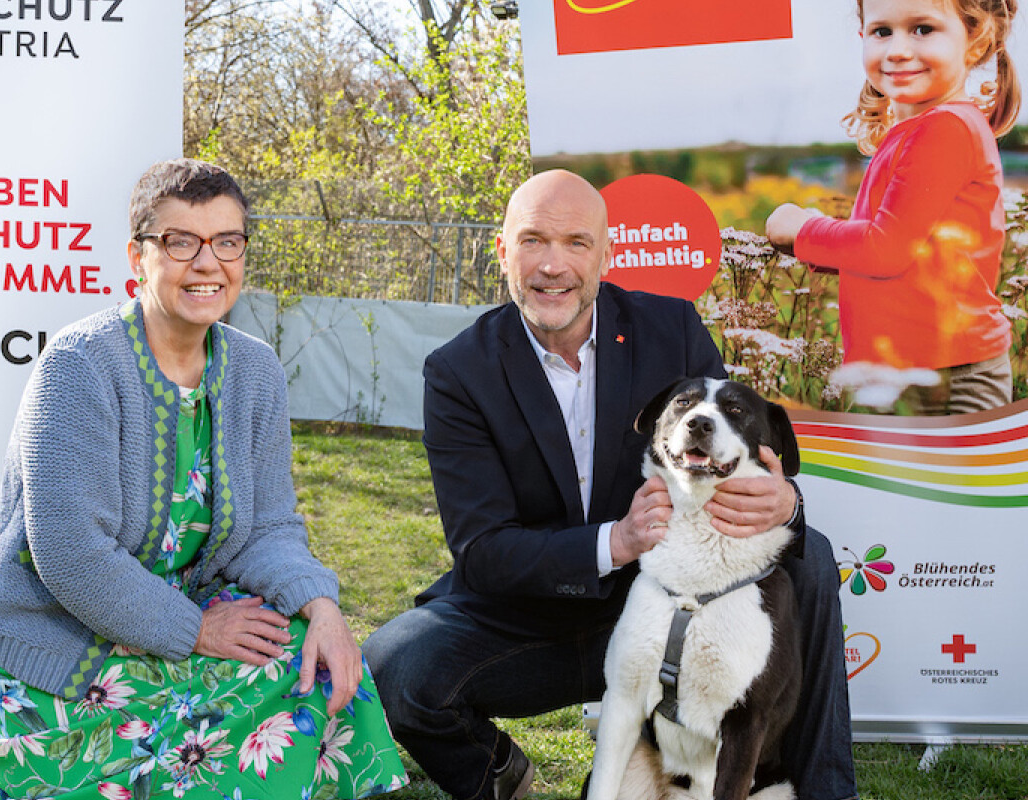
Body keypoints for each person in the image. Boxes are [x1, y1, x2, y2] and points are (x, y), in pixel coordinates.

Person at [0, 158, 407, 800]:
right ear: (138, 256)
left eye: (228, 242)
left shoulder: (255, 371)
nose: (208, 262)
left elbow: (268, 526)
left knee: (308, 658)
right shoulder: (77, 368)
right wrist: (201, 632)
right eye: (181, 242)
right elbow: (71, 557)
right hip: (50, 622)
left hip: (174, 608)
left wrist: (322, 606)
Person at [362, 170, 857, 800]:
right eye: (533, 241)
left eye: (575, 242)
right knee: (396, 665)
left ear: (606, 253)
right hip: (524, 617)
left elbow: (739, 448)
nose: (552, 266)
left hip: (666, 600)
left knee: (806, 551)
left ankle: (825, 791)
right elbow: (483, 550)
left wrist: (786, 501)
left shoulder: (670, 328)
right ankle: (498, 775)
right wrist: (615, 542)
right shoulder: (458, 371)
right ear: (502, 250)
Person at [767, 0, 1021, 415]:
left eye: (922, 29)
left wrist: (803, 229)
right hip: (906, 372)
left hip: (947, 380)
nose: (898, 49)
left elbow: (885, 248)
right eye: (882, 32)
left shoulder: (946, 129)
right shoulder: (919, 130)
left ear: (976, 41)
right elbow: (910, 256)